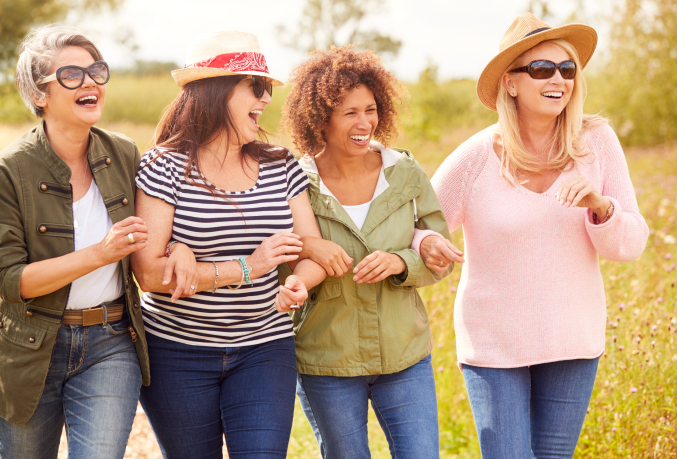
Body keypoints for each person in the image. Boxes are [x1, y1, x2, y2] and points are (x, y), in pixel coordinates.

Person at [423, 13, 649, 457]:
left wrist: (601, 209)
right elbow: (417, 224)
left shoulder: (597, 143)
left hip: (572, 342)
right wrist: (425, 244)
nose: (558, 80)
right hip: (493, 346)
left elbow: (632, 243)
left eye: (567, 70)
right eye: (542, 69)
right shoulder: (475, 157)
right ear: (510, 83)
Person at [131, 30, 326, 459]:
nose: (267, 99)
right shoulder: (164, 166)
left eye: (267, 88)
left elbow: (309, 249)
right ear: (216, 92)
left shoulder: (282, 165)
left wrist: (302, 283)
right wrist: (248, 268)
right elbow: (148, 274)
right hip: (176, 352)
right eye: (255, 87)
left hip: (264, 346)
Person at [279, 45, 453, 459]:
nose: (365, 123)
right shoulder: (294, 181)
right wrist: (301, 268)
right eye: (350, 112)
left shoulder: (405, 172)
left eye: (370, 109)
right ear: (320, 118)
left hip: (404, 356)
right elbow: (285, 257)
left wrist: (401, 262)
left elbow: (438, 255)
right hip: (328, 360)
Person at [0, 26, 153, 458]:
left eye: (96, 71)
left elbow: (155, 232)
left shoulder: (125, 153)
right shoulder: (9, 169)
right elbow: (13, 282)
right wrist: (100, 253)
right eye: (70, 75)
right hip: (30, 348)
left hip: (111, 341)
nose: (90, 82)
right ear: (39, 94)